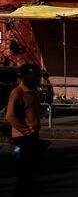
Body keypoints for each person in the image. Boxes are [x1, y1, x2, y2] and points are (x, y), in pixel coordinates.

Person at [6, 63, 46, 196]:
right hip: (22, 137)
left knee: (32, 173)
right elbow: (10, 116)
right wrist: (26, 130)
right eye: (34, 76)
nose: (37, 79)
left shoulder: (34, 92)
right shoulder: (17, 92)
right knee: (24, 174)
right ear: (25, 77)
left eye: (37, 76)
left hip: (33, 136)